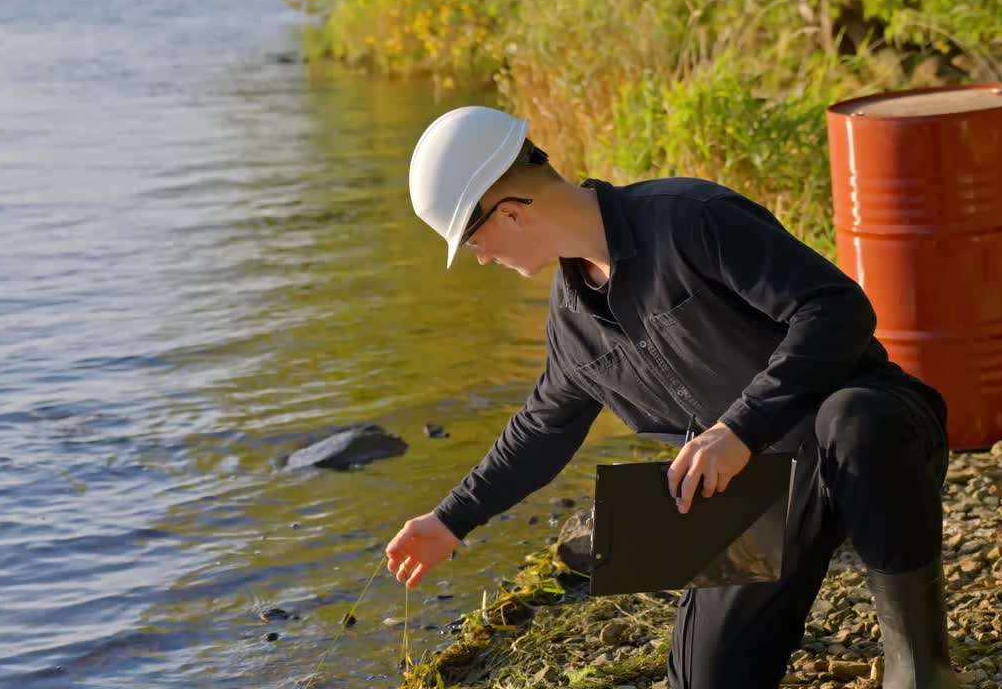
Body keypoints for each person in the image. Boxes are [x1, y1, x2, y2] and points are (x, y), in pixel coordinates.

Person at [386, 106, 960, 689]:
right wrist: (450, 520)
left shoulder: (689, 219)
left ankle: (920, 666)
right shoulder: (572, 322)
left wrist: (738, 430)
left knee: (854, 417)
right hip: (752, 498)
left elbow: (838, 309)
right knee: (704, 680)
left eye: (473, 240)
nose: (481, 258)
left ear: (510, 212)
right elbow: (541, 429)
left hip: (872, 441)